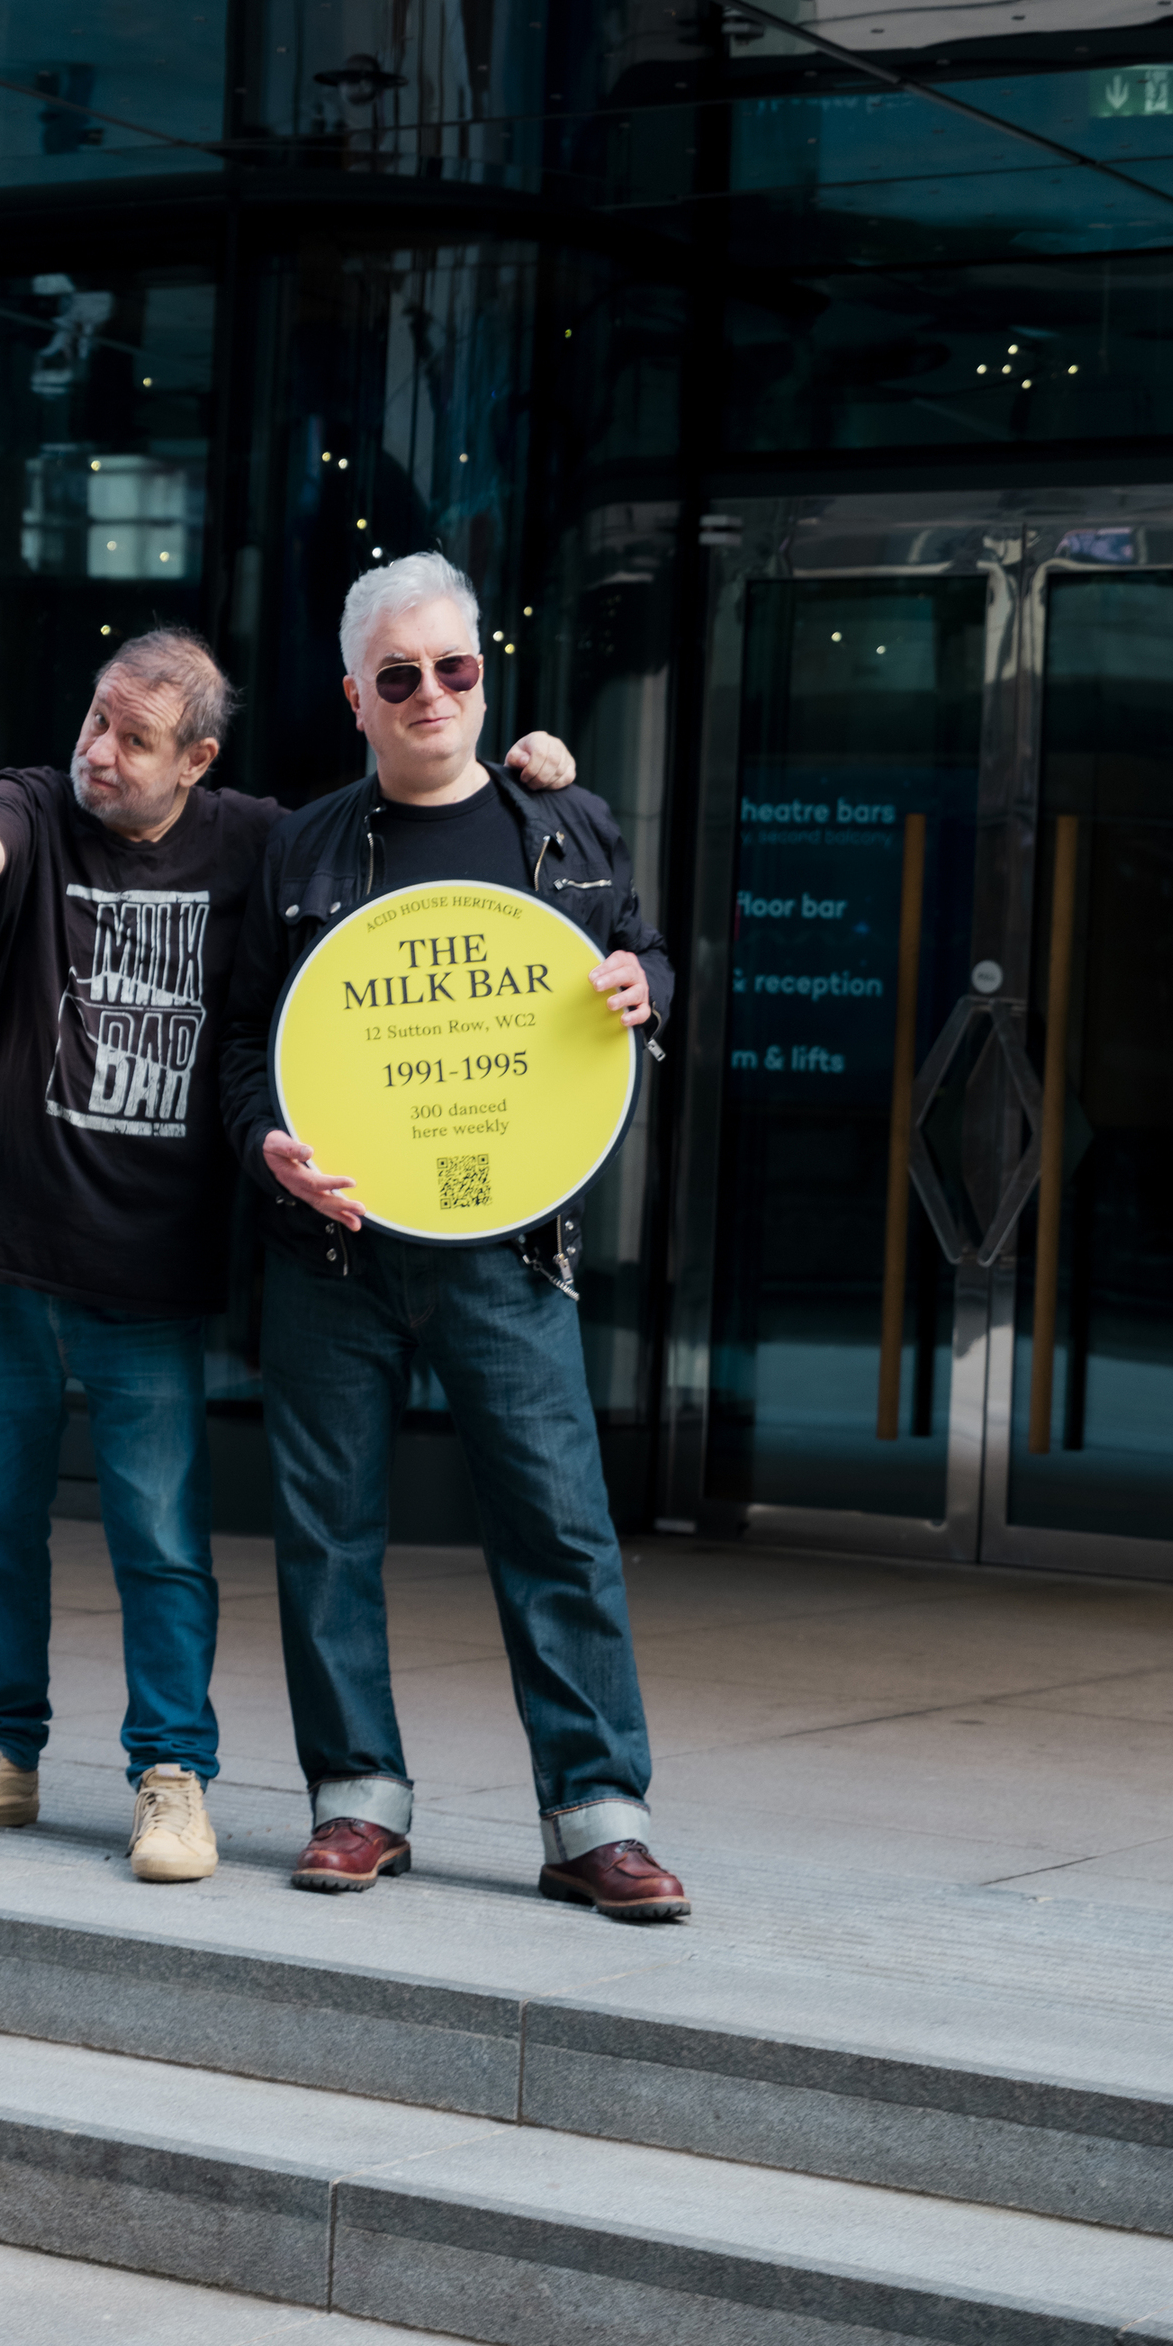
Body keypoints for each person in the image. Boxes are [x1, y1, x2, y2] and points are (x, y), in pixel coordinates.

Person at [0, 624, 581, 1884]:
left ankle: (172, 1777)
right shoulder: (39, 805)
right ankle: (2, 1757)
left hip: (147, 1272)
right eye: (96, 720)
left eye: (134, 740)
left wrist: (539, 773)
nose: (100, 752)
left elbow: (408, 822)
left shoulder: (264, 840)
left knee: (159, 1540)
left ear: (197, 758)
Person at [221, 553, 689, 1921]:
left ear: (485, 674)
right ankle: (355, 1800)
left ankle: (595, 1817)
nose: (432, 695)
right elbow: (250, 1041)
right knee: (324, 1531)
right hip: (331, 1249)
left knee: (559, 1526)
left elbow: (654, 960)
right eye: (400, 676)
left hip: (507, 1247)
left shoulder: (566, 828)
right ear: (355, 699)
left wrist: (637, 984)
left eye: (456, 668)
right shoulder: (301, 847)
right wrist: (266, 1145)